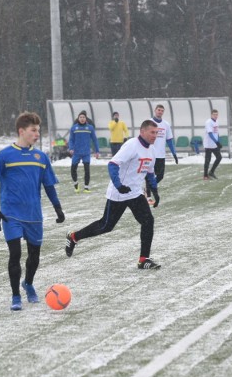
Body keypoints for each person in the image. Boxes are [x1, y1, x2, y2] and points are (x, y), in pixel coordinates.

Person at [0, 111, 66, 311]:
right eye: (34, 130)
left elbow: (48, 186)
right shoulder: (4, 155)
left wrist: (58, 208)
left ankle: (28, 283)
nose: (37, 134)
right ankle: (15, 296)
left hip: (34, 215)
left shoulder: (41, 157)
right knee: (15, 254)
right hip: (11, 214)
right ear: (22, 131)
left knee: (34, 256)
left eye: (38, 130)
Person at [65, 119, 162, 270]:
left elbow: (149, 173)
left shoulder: (152, 150)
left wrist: (155, 191)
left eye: (156, 133)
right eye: (152, 132)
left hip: (135, 194)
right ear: (142, 132)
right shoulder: (131, 145)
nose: (155, 135)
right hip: (119, 193)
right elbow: (113, 164)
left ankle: (144, 259)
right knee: (105, 226)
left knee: (148, 221)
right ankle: (74, 237)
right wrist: (118, 185)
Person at [145, 104, 178, 205]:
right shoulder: (149, 123)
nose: (160, 112)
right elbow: (144, 137)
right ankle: (149, 196)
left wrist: (174, 153)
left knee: (160, 176)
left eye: (162, 111)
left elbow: (169, 140)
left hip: (161, 155)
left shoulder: (166, 125)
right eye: (158, 110)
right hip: (150, 154)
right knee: (149, 175)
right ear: (155, 110)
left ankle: (147, 189)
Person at [68, 111, 100, 193]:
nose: (82, 119)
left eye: (83, 117)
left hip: (86, 153)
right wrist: (71, 148)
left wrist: (97, 151)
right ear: (78, 119)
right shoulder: (74, 128)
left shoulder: (90, 128)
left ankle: (86, 187)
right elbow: (71, 140)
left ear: (86, 119)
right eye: (80, 117)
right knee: (73, 169)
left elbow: (95, 140)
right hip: (76, 153)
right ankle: (76, 185)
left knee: (87, 170)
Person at [203, 109, 223, 180]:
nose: (216, 116)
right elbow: (210, 134)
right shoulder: (208, 122)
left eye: (217, 114)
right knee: (208, 159)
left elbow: (217, 133)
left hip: (214, 144)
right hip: (208, 144)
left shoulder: (217, 121)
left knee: (219, 157)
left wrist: (218, 141)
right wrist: (216, 142)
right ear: (211, 115)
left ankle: (211, 172)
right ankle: (205, 175)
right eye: (214, 114)